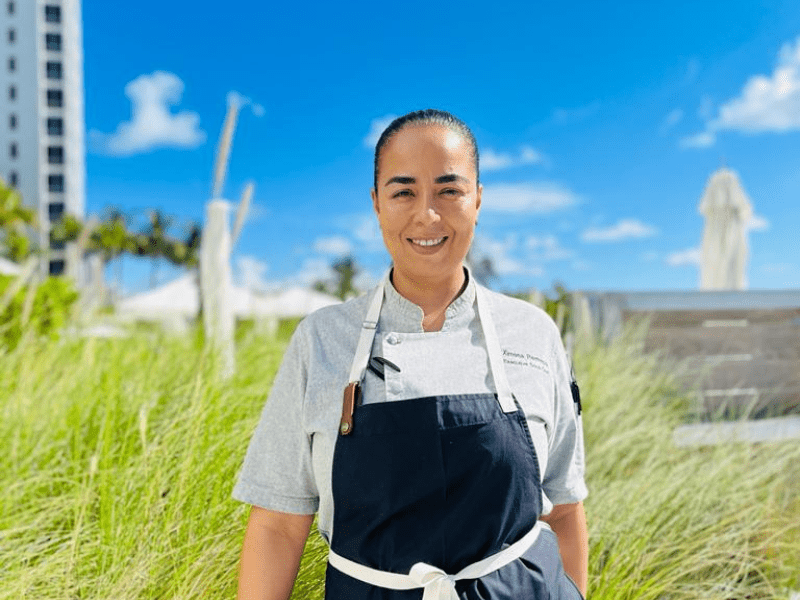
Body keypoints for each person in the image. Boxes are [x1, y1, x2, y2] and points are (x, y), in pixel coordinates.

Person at [234, 109, 589, 600]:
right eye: (403, 192)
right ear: (376, 203)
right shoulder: (321, 341)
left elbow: (565, 510)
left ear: (478, 199)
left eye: (450, 190)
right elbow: (277, 526)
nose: (427, 215)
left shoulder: (534, 333)